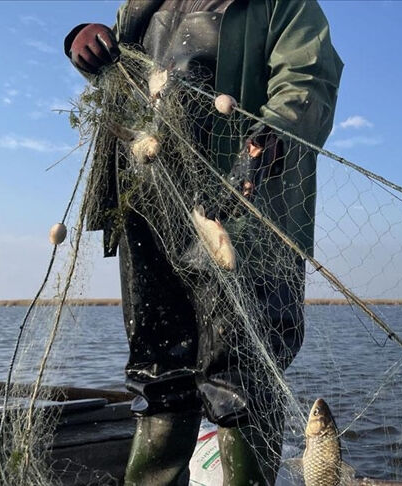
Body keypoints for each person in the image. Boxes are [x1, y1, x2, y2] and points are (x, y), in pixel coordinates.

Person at [63, 1, 342, 484]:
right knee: (158, 372)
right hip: (145, 206)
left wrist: (273, 136)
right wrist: (80, 39)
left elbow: (309, 78)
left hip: (244, 215)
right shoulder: (143, 5)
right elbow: (129, 75)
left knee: (242, 376)